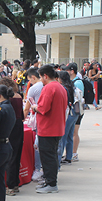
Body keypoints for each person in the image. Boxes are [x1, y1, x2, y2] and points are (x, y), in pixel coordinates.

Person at [31, 65, 67, 194]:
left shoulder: (49, 88)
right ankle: (49, 181)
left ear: (45, 76)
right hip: (56, 127)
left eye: (40, 77)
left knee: (48, 157)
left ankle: (51, 183)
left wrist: (34, 107)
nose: (40, 80)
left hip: (48, 129)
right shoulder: (60, 87)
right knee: (51, 156)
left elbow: (43, 108)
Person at [0, 77, 24, 196]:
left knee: (10, 156)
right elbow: (22, 115)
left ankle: (10, 185)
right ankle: (15, 183)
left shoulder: (8, 100)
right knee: (17, 155)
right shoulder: (19, 97)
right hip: (19, 125)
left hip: (10, 127)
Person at [23, 67, 44, 181]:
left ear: (33, 77)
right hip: (51, 122)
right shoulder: (53, 86)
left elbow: (26, 108)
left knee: (37, 145)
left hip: (39, 121)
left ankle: (37, 169)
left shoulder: (33, 89)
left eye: (29, 80)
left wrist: (22, 118)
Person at [57, 71, 79, 166]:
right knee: (70, 135)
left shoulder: (64, 88)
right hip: (75, 112)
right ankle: (68, 157)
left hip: (68, 113)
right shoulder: (72, 86)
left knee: (62, 138)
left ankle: (58, 161)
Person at [64, 63, 84, 163]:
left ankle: (74, 153)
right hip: (75, 110)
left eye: (67, 70)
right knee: (71, 134)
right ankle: (70, 154)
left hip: (76, 110)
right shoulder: (72, 82)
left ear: (72, 71)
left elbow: (79, 97)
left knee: (74, 133)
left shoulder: (77, 83)